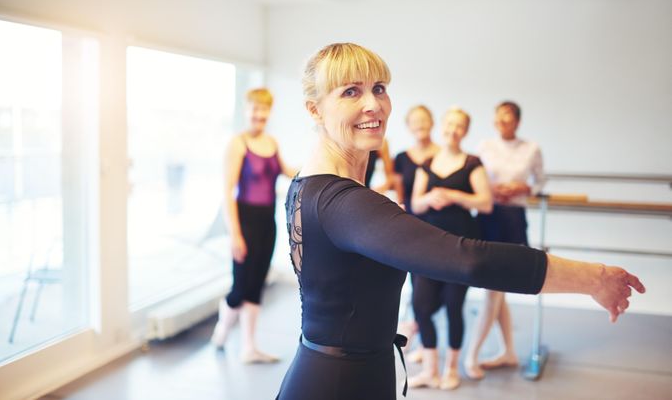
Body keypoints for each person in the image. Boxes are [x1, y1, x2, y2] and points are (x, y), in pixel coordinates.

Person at [276, 43, 644, 400]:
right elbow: (469, 259)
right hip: (338, 384)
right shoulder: (345, 203)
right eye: (351, 92)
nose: (373, 104)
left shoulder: (307, 185)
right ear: (315, 110)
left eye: (379, 88)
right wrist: (593, 278)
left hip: (347, 372)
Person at [408, 107, 492, 390]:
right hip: (429, 246)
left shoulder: (472, 163)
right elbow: (415, 204)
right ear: (442, 126)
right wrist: (431, 196)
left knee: (454, 306)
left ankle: (451, 369)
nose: (453, 130)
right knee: (421, 305)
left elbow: (485, 203)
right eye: (450, 124)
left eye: (459, 126)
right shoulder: (428, 163)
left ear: (465, 131)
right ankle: (431, 370)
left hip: (460, 247)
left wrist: (454, 195)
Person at [211, 88, 295, 364]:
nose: (259, 115)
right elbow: (227, 193)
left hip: (267, 221)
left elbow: (287, 171)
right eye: (254, 109)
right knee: (240, 287)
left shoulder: (271, 142)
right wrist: (235, 234)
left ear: (269, 112)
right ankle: (222, 330)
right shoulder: (238, 144)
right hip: (244, 221)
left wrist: (321, 169)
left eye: (264, 110)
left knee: (257, 283)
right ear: (246, 111)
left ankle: (249, 346)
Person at [464, 100, 544, 379]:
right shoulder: (485, 147)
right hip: (488, 217)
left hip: (513, 218)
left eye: (507, 120)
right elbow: (472, 178)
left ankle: (471, 355)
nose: (501, 124)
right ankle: (508, 351)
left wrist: (523, 187)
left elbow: (540, 182)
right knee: (494, 291)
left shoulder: (530, 148)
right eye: (497, 119)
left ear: (517, 122)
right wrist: (491, 188)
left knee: (494, 291)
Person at [392, 105, 439, 362]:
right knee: (416, 283)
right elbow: (398, 191)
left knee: (433, 285)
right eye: (415, 121)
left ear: (432, 122)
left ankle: (419, 331)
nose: (420, 125)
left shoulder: (443, 155)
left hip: (438, 227)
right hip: (411, 225)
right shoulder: (401, 157)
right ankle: (420, 335)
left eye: (424, 119)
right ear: (408, 126)